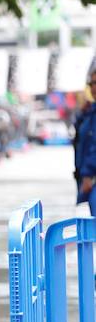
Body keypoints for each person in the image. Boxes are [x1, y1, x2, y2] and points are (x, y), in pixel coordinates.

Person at [74, 70, 96, 214]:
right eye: (92, 83)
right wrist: (83, 114)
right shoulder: (91, 112)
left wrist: (88, 174)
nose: (93, 87)